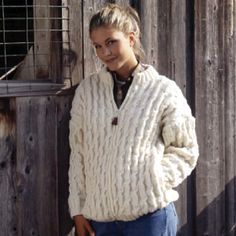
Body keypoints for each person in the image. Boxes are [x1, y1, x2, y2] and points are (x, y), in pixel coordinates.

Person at [68, 3, 199, 236]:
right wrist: (77, 210)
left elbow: (185, 149)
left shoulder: (163, 91)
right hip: (100, 220)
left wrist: (152, 180)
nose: (105, 52)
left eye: (111, 42)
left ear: (131, 37)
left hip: (150, 219)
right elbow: (78, 153)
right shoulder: (87, 92)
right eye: (98, 46)